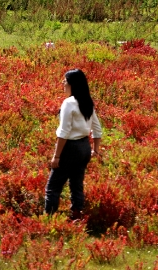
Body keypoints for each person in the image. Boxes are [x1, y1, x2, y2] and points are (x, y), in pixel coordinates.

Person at [45, 69, 102, 220]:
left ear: (72, 84)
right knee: (76, 185)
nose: (63, 84)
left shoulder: (68, 103)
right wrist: (95, 150)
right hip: (84, 148)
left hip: (70, 148)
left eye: (65, 81)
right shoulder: (87, 101)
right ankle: (77, 217)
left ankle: (48, 220)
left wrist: (56, 157)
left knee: (53, 187)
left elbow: (63, 132)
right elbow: (97, 129)